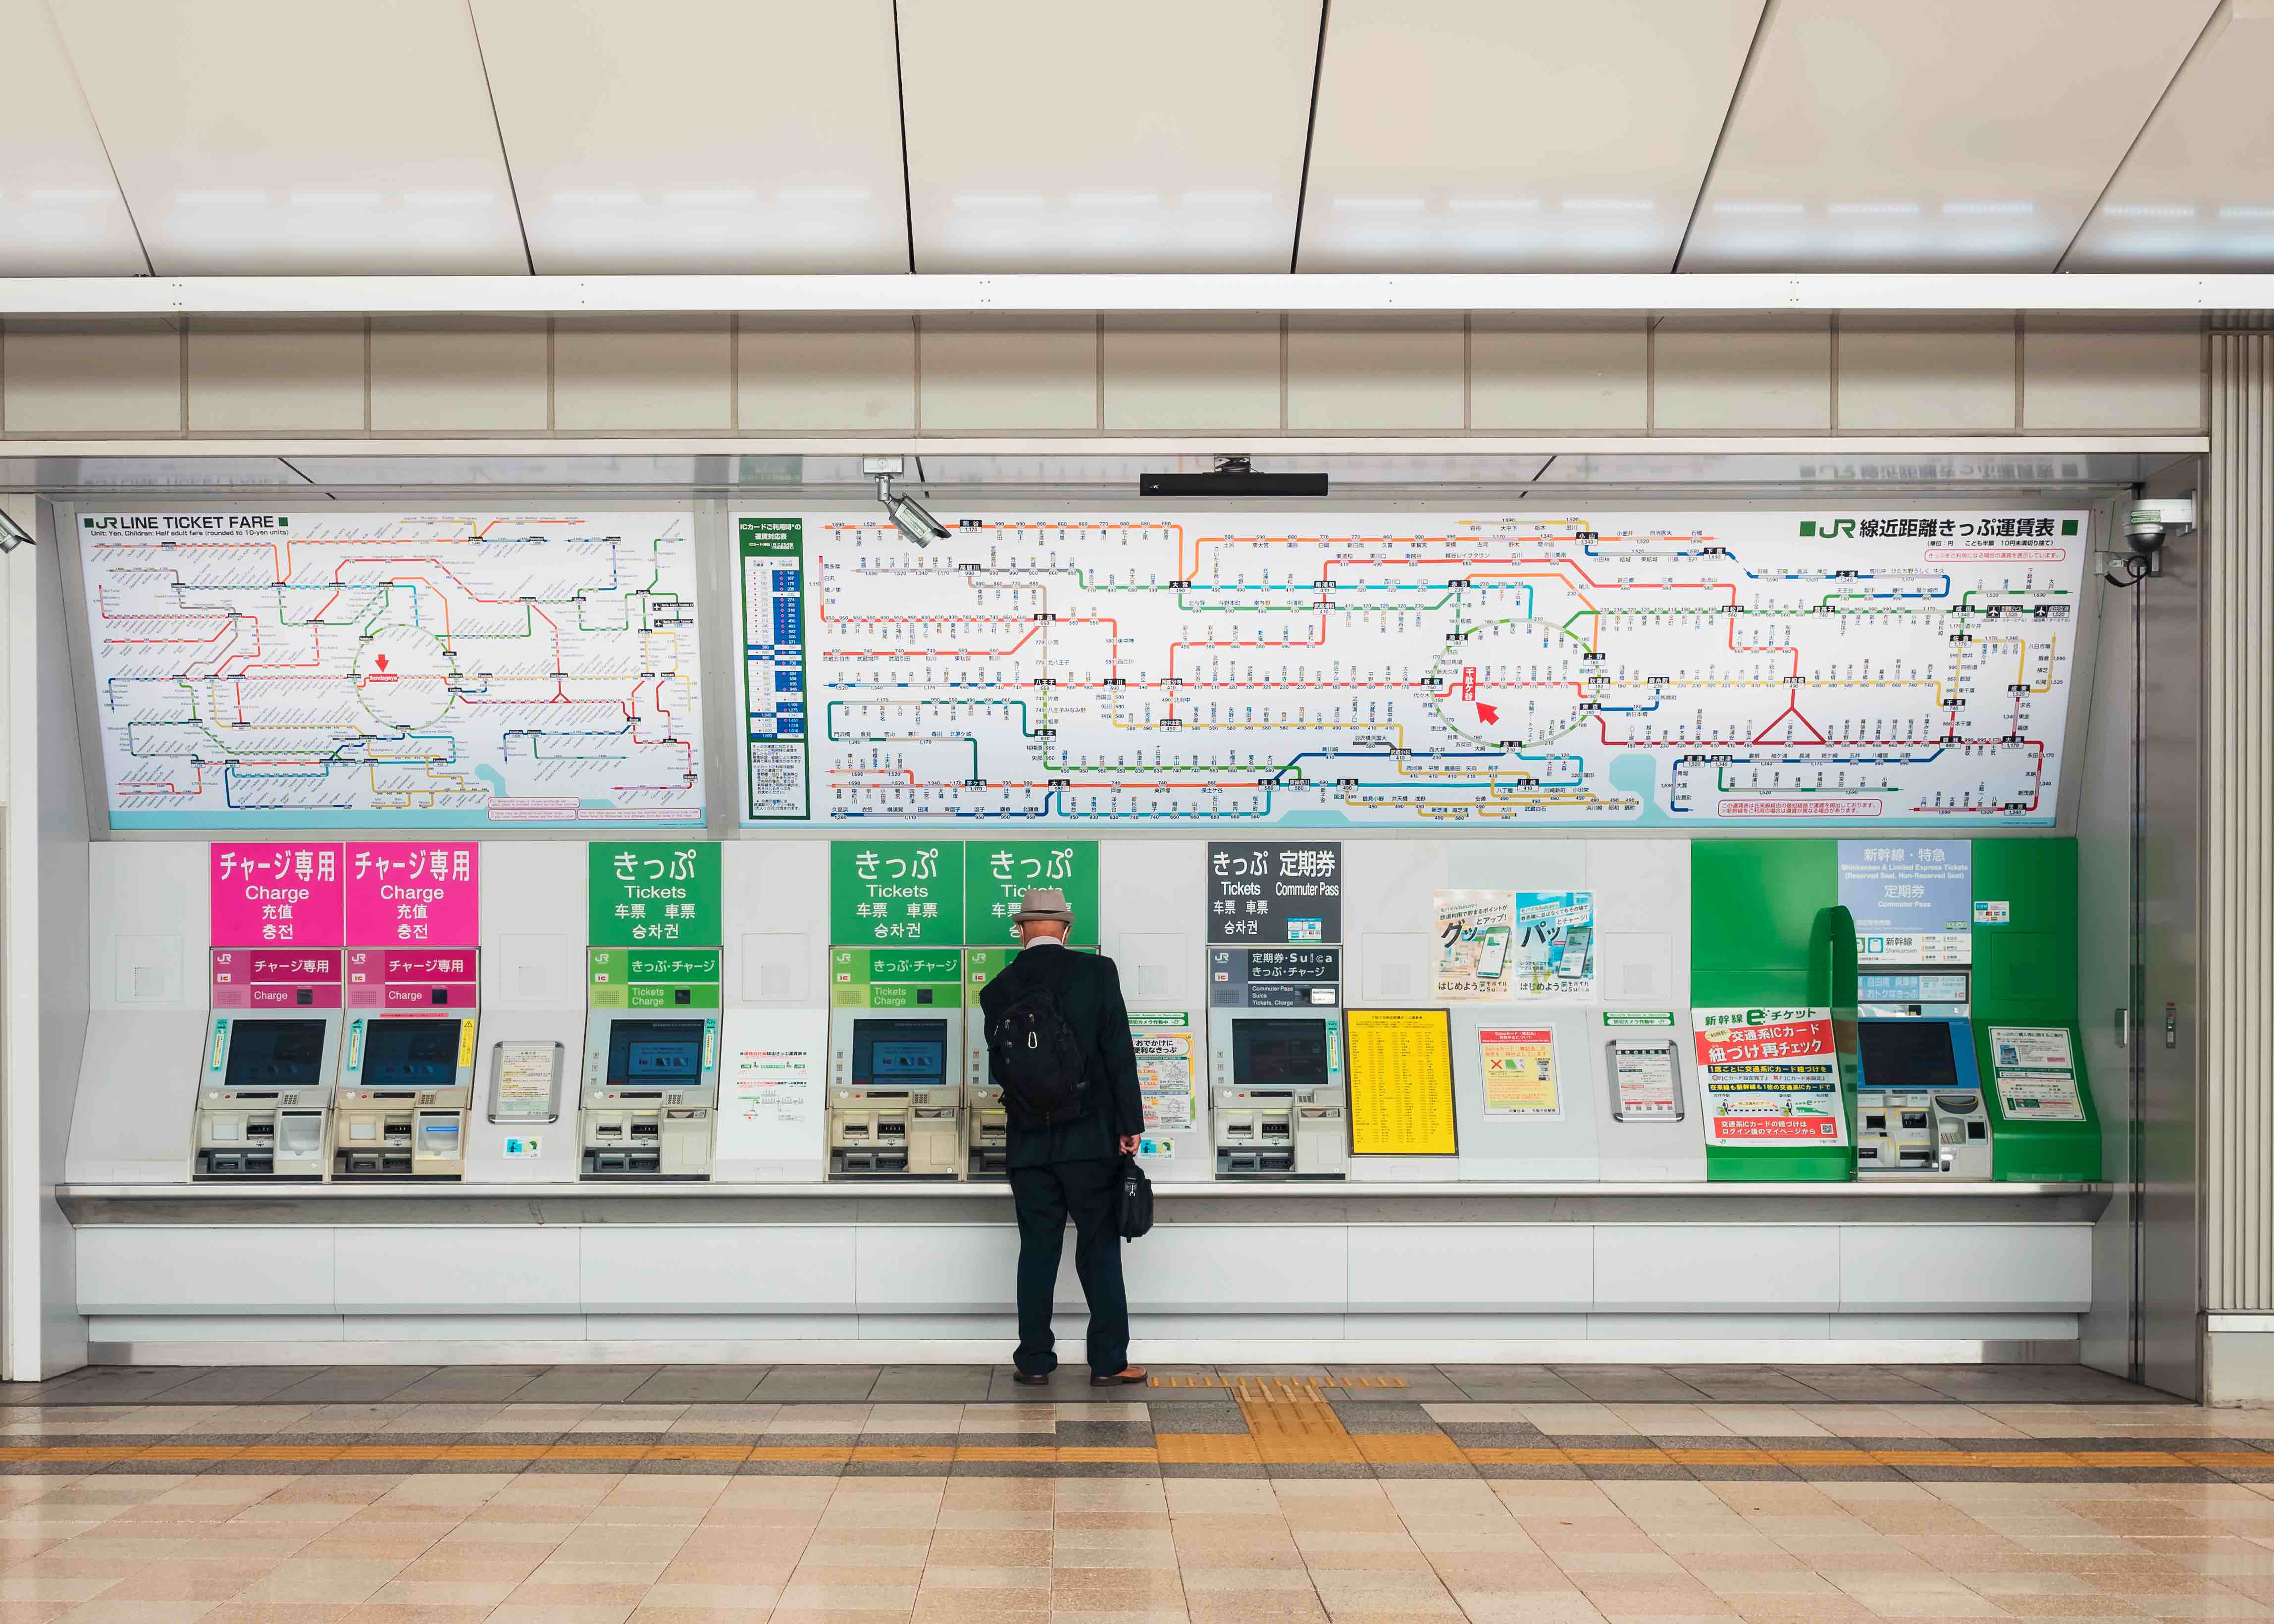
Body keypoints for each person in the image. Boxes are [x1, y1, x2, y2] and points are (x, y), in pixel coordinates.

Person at [979, 887, 1147, 1388]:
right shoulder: (1098, 973)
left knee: (1037, 1250)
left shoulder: (998, 988)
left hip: (1028, 1145)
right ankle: (1108, 1362)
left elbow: (1002, 1072)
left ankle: (1033, 1360)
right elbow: (1118, 1051)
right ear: (1066, 929)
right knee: (1098, 1248)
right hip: (1091, 1141)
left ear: (1020, 928)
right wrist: (1128, 1125)